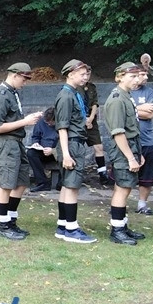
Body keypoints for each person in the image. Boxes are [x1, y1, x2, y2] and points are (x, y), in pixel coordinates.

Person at [0, 62, 41, 240]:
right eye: (24, 79)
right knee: (6, 184)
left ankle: (11, 220)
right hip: (7, 143)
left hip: (17, 142)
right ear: (14, 75)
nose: (25, 83)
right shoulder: (2, 95)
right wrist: (25, 122)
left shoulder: (12, 93)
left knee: (21, 182)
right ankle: (3, 225)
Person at [102, 62, 149, 246]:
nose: (137, 80)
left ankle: (123, 225)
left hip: (131, 149)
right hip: (123, 151)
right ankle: (117, 230)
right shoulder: (116, 99)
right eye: (132, 76)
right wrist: (130, 157)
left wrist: (138, 155)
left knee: (126, 187)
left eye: (138, 76)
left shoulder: (126, 96)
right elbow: (118, 132)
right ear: (119, 77)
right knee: (122, 188)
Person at [53, 60, 96, 243]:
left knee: (66, 185)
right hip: (71, 144)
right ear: (70, 74)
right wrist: (67, 154)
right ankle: (71, 229)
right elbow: (62, 127)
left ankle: (63, 225)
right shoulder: (66, 96)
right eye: (81, 73)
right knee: (72, 187)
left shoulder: (74, 94)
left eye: (87, 74)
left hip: (74, 143)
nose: (85, 77)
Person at [131, 70, 153, 214]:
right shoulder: (124, 91)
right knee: (124, 174)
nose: (146, 77)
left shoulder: (149, 92)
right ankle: (119, 205)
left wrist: (131, 109)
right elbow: (122, 112)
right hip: (129, 141)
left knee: (147, 176)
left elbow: (150, 114)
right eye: (143, 74)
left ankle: (142, 205)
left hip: (147, 141)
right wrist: (139, 109)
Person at [82, 68, 112, 186]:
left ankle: (102, 174)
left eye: (88, 74)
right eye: (84, 74)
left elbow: (95, 103)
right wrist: (84, 119)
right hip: (79, 121)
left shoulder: (92, 87)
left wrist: (90, 119)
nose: (86, 76)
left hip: (91, 120)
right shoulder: (74, 88)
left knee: (98, 147)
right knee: (76, 148)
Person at [26, 107, 58, 192]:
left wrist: (53, 151)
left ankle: (61, 182)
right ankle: (42, 182)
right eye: (46, 122)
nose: (48, 124)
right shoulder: (41, 122)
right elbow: (36, 136)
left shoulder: (61, 125)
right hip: (42, 150)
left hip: (56, 152)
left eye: (50, 122)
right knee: (31, 153)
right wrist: (35, 143)